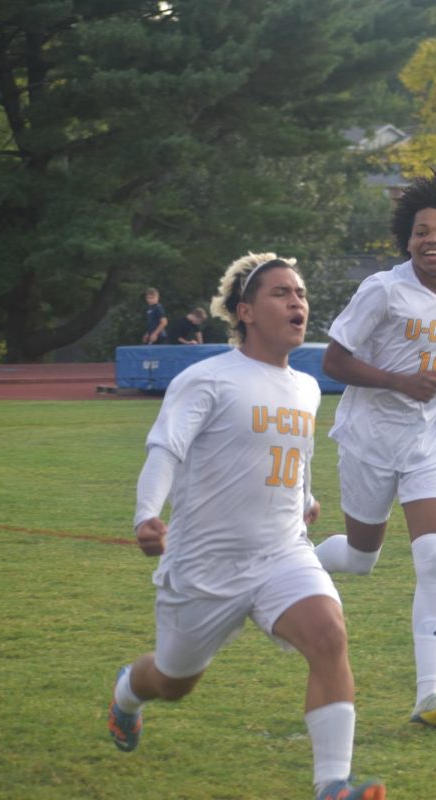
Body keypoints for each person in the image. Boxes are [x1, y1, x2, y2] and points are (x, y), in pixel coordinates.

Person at [107, 253, 385, 800]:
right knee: (173, 681)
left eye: (300, 293)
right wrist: (146, 515)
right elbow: (165, 449)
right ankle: (126, 696)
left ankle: (333, 785)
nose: (297, 302)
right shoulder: (206, 378)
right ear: (246, 312)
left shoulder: (305, 387)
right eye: (281, 293)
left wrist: (305, 497)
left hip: (282, 552)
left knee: (329, 635)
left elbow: (296, 452)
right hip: (205, 565)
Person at [315, 170, 436, 731]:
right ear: (408, 240)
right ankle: (286, 565)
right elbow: (334, 361)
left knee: (435, 558)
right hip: (370, 442)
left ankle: (429, 695)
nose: (432, 241)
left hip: (431, 442)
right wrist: (397, 381)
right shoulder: (382, 290)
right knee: (361, 559)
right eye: (422, 232)